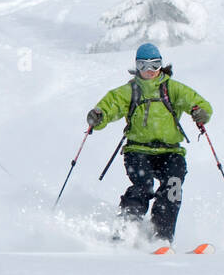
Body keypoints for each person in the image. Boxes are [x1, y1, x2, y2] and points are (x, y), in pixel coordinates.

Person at [86, 41, 212, 244]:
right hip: (138, 150)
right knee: (143, 186)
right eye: (144, 65)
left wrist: (200, 113)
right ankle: (126, 230)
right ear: (137, 66)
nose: (150, 70)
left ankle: (161, 236)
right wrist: (99, 116)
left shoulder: (173, 89)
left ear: (162, 65)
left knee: (173, 186)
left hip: (170, 151)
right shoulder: (130, 91)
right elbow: (110, 106)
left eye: (155, 64)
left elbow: (199, 103)